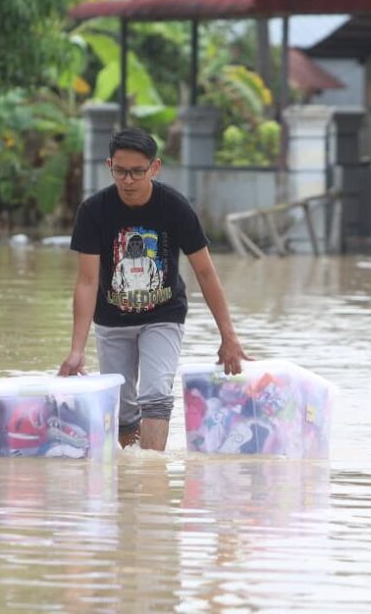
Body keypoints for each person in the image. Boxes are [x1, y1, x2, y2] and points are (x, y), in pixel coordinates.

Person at [58, 127, 250, 450]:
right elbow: (88, 281)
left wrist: (228, 336)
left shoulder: (174, 208)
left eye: (137, 172)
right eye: (120, 171)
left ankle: (151, 475)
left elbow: (205, 272)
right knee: (123, 406)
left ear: (155, 168)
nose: (128, 180)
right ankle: (130, 478)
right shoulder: (93, 211)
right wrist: (77, 349)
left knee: (156, 394)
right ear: (109, 167)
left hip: (164, 314)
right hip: (112, 320)